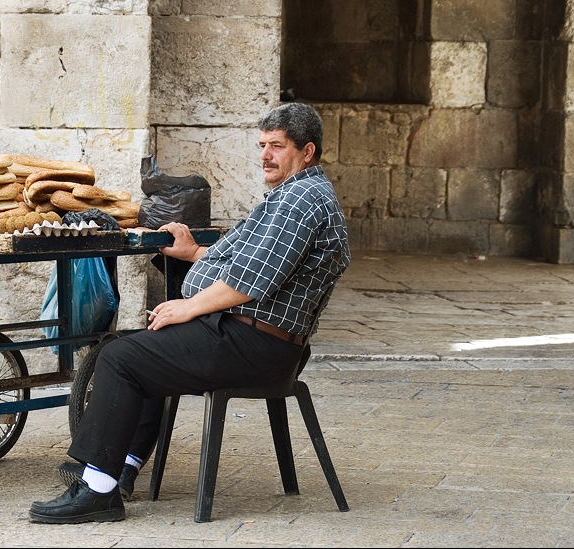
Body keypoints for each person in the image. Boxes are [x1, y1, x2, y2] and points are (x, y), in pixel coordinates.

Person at [29, 102, 351, 524]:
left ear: (307, 152)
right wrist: (193, 252)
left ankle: (98, 491)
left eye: (277, 146)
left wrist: (187, 307)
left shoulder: (301, 200)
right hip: (252, 338)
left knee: (120, 358)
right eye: (262, 145)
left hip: (257, 344)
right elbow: (243, 260)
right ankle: (122, 465)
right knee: (136, 347)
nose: (265, 155)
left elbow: (251, 281)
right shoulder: (291, 194)